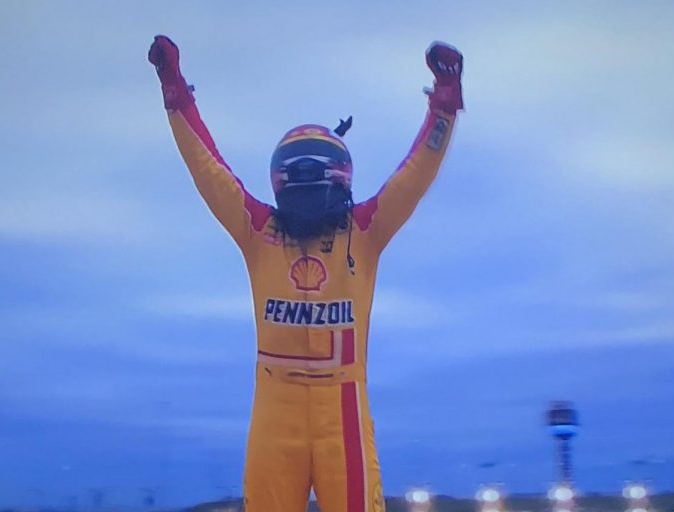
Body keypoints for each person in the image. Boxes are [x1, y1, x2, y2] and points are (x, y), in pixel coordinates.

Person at [148, 35, 464, 512]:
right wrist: (174, 91)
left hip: (342, 408)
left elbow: (416, 173)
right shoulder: (262, 231)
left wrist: (446, 100)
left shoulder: (364, 230)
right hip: (281, 409)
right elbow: (207, 169)